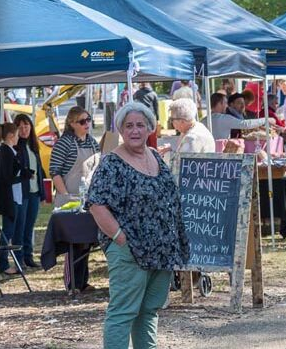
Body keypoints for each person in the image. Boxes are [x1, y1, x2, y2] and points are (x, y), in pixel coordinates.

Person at [87, 102, 189, 349]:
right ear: (121, 130)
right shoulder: (112, 163)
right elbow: (96, 204)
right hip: (129, 251)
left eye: (140, 125)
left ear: (150, 128)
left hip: (160, 251)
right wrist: (120, 237)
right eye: (129, 125)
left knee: (149, 311)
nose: (135, 130)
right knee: (123, 313)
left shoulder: (154, 155)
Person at [50, 106, 100, 291]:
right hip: (69, 198)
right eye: (82, 121)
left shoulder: (93, 142)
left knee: (86, 241)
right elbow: (55, 172)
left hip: (88, 198)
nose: (87, 124)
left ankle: (83, 281)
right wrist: (65, 196)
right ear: (71, 124)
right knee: (73, 242)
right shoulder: (64, 143)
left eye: (88, 120)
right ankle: (72, 283)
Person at [14, 114, 46, 268]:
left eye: (26, 125)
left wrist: (43, 193)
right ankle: (18, 259)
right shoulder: (15, 147)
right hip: (22, 193)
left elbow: (39, 170)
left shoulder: (33, 145)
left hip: (34, 192)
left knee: (29, 227)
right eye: (20, 127)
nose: (23, 129)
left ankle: (28, 257)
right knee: (19, 227)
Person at [0, 123, 28, 275]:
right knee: (7, 231)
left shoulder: (10, 151)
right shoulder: (5, 151)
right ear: (11, 136)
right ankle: (2, 263)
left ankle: (11, 261)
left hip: (15, 196)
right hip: (9, 198)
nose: (18, 138)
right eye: (17, 135)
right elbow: (7, 177)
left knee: (13, 230)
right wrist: (23, 176)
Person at [204, 93, 277, 141]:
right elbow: (245, 124)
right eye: (225, 103)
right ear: (220, 103)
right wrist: (266, 120)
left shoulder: (203, 120)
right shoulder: (224, 118)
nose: (227, 106)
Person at [133, 82, 160, 148]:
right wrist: (157, 119)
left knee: (143, 137)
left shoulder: (137, 93)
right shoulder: (153, 94)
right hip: (151, 117)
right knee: (152, 138)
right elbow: (156, 108)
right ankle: (153, 153)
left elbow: (134, 105)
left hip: (141, 117)